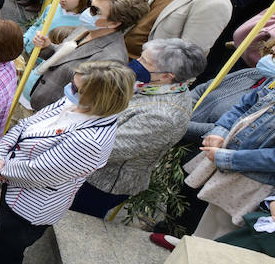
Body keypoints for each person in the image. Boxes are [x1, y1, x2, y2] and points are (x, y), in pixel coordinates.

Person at [0, 60, 133, 264]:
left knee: (11, 249)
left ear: (99, 98)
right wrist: (0, 155)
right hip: (15, 180)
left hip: (33, 202)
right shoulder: (76, 100)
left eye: (77, 87)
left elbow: (41, 171)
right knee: (3, 237)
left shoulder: (92, 139)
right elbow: (26, 126)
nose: (69, 89)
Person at [70, 39, 203, 219]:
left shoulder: (164, 116)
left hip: (101, 181)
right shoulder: (158, 85)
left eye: (145, 62)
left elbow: (108, 148)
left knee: (76, 220)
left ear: (167, 76)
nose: (136, 63)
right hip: (91, 168)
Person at [181, 51, 275, 241]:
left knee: (227, 225)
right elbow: (242, 107)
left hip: (256, 179)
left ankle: (203, 261)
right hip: (231, 163)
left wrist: (229, 158)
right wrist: (220, 130)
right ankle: (190, 246)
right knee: (213, 211)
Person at [28, 0, 149, 110]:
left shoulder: (112, 59)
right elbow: (65, 57)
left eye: (94, 10)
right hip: (36, 98)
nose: (87, 12)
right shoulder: (88, 27)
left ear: (114, 23)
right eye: (90, 4)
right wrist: (47, 47)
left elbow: (85, 101)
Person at [186, 34, 275, 139]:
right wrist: (177, 112)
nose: (269, 59)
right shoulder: (253, 73)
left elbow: (235, 128)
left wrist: (177, 124)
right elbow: (203, 89)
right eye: (270, 52)